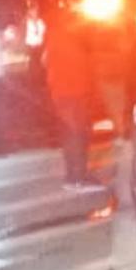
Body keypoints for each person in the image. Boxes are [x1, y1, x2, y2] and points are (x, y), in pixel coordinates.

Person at [45, 14, 99, 189]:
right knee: (75, 134)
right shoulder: (63, 40)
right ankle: (76, 177)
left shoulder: (62, 39)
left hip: (72, 93)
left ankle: (77, 174)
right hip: (69, 94)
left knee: (77, 134)